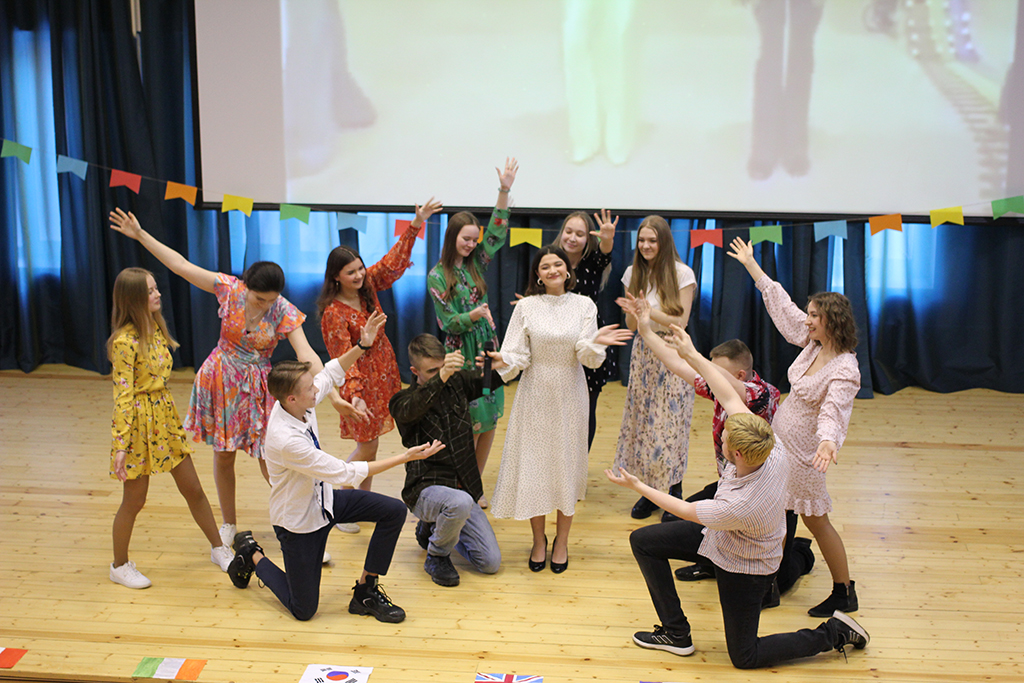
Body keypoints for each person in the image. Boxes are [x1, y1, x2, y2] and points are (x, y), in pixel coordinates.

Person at [605, 327, 869, 669]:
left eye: (726, 438)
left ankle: (833, 632)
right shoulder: (769, 447)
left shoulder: (740, 506)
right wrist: (691, 353)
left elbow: (685, 509)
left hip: (745, 565)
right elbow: (729, 396)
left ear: (739, 455)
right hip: (721, 538)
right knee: (643, 541)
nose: (722, 436)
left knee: (745, 656)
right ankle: (675, 632)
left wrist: (638, 486)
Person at [109, 208, 358, 555]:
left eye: (271, 300)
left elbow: (307, 354)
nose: (266, 305)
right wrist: (140, 234)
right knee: (224, 456)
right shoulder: (229, 289)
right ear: (246, 287)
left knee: (271, 457)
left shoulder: (283, 309)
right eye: (259, 299)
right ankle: (229, 523)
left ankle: (298, 527)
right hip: (222, 378)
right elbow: (180, 265)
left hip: (260, 386)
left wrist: (331, 394)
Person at [226, 310, 446, 623]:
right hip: (299, 524)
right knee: (303, 610)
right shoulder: (287, 440)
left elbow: (329, 373)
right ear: (291, 399)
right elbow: (346, 472)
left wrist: (363, 345)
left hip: (325, 502)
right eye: (310, 390)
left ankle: (366, 591)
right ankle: (252, 554)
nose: (318, 391)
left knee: (393, 512)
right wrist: (405, 457)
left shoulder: (295, 401)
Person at [617, 293, 811, 593]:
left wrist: (693, 355)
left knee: (779, 584)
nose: (707, 373)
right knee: (679, 519)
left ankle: (802, 553)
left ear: (740, 375)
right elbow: (677, 365)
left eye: (715, 370)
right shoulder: (719, 388)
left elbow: (727, 388)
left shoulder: (760, 394)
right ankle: (713, 563)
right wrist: (645, 330)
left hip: (764, 498)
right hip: (733, 483)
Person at [727, 236, 861, 616]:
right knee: (777, 517)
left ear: (831, 321)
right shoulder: (813, 345)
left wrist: (828, 442)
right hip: (781, 448)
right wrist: (752, 266)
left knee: (817, 523)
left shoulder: (844, 369)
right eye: (809, 314)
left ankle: (844, 592)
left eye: (814, 315)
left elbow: (834, 410)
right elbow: (783, 308)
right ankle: (769, 586)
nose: (807, 319)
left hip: (805, 458)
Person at [488, 246, 633, 573]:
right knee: (535, 468)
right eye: (545, 266)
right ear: (538, 275)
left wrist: (597, 343)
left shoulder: (584, 305)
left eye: (557, 264)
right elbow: (518, 354)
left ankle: (562, 541)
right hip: (535, 393)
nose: (552, 270)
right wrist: (502, 360)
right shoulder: (526, 306)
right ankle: (538, 541)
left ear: (568, 271)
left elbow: (586, 355)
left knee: (566, 467)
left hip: (570, 394)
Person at [107, 268, 233, 589]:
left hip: (164, 418)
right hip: (138, 425)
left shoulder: (156, 328)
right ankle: (119, 565)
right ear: (134, 298)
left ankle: (219, 548)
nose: (158, 294)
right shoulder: (124, 342)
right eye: (150, 291)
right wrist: (120, 445)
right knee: (134, 501)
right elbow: (123, 396)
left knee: (193, 488)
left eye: (156, 288)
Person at [318, 198, 444, 498]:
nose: (359, 275)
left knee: (371, 448)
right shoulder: (333, 314)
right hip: (361, 384)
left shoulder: (367, 287)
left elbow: (392, 262)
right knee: (367, 446)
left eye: (360, 268)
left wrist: (416, 224)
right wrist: (355, 395)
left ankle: (360, 501)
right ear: (336, 277)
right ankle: (340, 498)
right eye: (351, 272)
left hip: (384, 375)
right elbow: (342, 359)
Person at [427, 158, 518, 508]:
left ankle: (475, 484)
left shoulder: (477, 261)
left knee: (490, 416)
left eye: (474, 239)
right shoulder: (438, 276)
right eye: (465, 239)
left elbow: (497, 231)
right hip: (460, 354)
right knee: (471, 420)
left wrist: (504, 190)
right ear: (452, 237)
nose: (471, 244)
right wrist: (473, 314)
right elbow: (447, 322)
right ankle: (462, 482)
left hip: (486, 349)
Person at [388, 334, 503, 587]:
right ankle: (437, 555)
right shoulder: (402, 401)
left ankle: (434, 528)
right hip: (425, 490)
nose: (442, 374)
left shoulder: (456, 382)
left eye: (442, 367)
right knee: (459, 502)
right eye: (432, 371)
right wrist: (441, 377)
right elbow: (412, 409)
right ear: (414, 372)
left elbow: (489, 384)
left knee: (490, 562)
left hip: (462, 490)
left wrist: (497, 366)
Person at [613, 215, 696, 519]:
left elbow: (680, 322)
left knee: (670, 423)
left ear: (664, 242)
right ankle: (649, 491)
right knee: (644, 423)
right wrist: (636, 313)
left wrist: (649, 311)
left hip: (673, 350)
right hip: (643, 353)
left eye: (652, 240)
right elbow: (631, 324)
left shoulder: (682, 274)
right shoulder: (632, 273)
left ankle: (673, 491)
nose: (646, 246)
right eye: (642, 240)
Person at [549, 209, 619, 449]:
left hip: (588, 342)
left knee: (586, 408)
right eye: (568, 231)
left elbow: (605, 253)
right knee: (556, 410)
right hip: (556, 345)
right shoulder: (550, 261)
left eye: (579, 234)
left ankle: (579, 463)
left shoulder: (593, 263)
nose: (572, 238)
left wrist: (607, 239)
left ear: (588, 239)